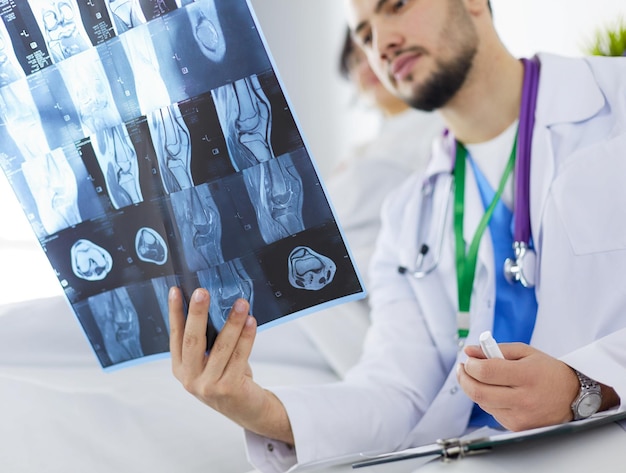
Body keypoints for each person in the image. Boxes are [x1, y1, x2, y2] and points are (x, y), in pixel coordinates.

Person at [167, 0, 626, 472]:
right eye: (364, 35)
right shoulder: (407, 214)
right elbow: (398, 391)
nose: (380, 44)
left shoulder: (616, 102)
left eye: (396, 6)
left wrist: (586, 386)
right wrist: (259, 408)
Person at [297, 28, 443, 377]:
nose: (364, 68)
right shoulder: (359, 153)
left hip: (380, 281)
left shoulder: (437, 130)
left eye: (369, 55)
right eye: (354, 61)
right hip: (344, 282)